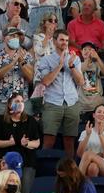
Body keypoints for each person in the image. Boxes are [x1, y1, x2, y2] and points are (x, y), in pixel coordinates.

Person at [36, 30, 84, 158]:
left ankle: (70, 173)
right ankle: (44, 171)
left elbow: (81, 81)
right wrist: (60, 65)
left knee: (69, 141)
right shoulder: (46, 59)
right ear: (54, 41)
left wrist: (71, 66)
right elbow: (45, 81)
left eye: (67, 40)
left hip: (71, 102)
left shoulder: (75, 59)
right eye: (62, 40)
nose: (65, 43)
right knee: (49, 140)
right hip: (52, 102)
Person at [0, 93, 40, 193]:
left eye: (22, 101)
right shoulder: (0, 120)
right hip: (5, 161)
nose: (20, 104)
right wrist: (9, 143)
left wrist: (27, 143)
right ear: (10, 105)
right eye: (17, 101)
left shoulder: (30, 121)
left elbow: (37, 142)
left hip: (26, 161)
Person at [76, 104, 104, 178]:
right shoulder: (85, 132)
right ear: (94, 115)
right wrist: (88, 136)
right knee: (93, 168)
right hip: (88, 163)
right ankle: (90, 189)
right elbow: (79, 154)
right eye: (99, 112)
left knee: (88, 154)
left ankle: (77, 181)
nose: (101, 114)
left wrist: (100, 135)